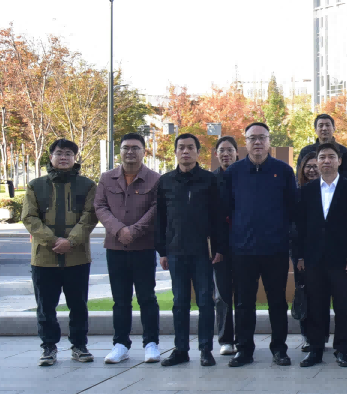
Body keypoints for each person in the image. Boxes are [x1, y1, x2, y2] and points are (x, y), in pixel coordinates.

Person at [223, 122, 297, 367]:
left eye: (262, 137)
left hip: (275, 249)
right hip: (243, 250)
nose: (257, 142)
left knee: (277, 301)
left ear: (269, 141)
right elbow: (226, 210)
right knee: (244, 303)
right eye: (252, 138)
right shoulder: (233, 173)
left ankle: (279, 349)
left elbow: (292, 210)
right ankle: (244, 349)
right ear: (245, 142)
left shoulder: (283, 171)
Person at [23, 138, 99, 366]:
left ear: (75, 158)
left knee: (78, 305)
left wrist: (71, 241)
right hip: (44, 258)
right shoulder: (36, 186)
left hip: (77, 257)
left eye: (68, 153)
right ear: (51, 157)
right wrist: (53, 240)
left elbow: (90, 216)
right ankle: (48, 347)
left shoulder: (87, 185)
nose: (64, 157)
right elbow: (29, 217)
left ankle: (79, 346)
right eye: (59, 153)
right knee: (45, 307)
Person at [155, 133, 226, 367]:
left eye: (190, 148)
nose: (185, 151)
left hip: (203, 252)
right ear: (175, 152)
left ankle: (206, 349)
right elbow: (160, 218)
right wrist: (162, 251)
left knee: (205, 301)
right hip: (175, 251)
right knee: (180, 302)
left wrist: (219, 247)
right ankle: (181, 350)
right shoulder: (165, 182)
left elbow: (218, 217)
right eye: (181, 148)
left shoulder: (209, 180)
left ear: (198, 152)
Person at [293, 142, 347, 368]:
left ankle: (342, 350)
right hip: (313, 259)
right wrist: (299, 256)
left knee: (342, 307)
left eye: (331, 156)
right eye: (322, 157)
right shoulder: (307, 191)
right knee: (316, 306)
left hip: (341, 260)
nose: (326, 160)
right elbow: (299, 227)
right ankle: (315, 350)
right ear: (317, 161)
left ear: (339, 161)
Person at [94, 132, 161, 365]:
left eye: (135, 148)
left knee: (147, 297)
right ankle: (120, 344)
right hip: (116, 247)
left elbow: (156, 209)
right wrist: (119, 230)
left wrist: (134, 230)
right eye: (125, 148)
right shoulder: (107, 178)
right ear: (120, 152)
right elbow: (100, 206)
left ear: (144, 151)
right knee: (120, 299)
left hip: (143, 247)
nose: (130, 152)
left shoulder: (155, 179)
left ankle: (151, 343)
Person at [212, 136, 239, 357]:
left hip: (243, 244)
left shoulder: (243, 176)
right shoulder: (211, 181)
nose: (226, 154)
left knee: (243, 293)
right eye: (222, 150)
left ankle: (243, 338)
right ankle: (226, 339)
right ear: (216, 154)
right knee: (221, 295)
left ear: (237, 153)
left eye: (230, 150)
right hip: (219, 247)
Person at [292, 151, 321, 352]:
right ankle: (308, 337)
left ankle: (322, 335)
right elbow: (296, 228)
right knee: (305, 294)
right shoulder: (297, 193)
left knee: (322, 296)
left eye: (315, 166)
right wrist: (300, 255)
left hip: (325, 252)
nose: (311, 170)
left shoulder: (328, 192)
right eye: (308, 166)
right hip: (302, 253)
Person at [297, 114, 347, 182]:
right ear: (315, 130)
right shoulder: (306, 151)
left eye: (327, 125)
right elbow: (299, 176)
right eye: (321, 126)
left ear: (334, 129)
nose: (324, 128)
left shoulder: (344, 152)